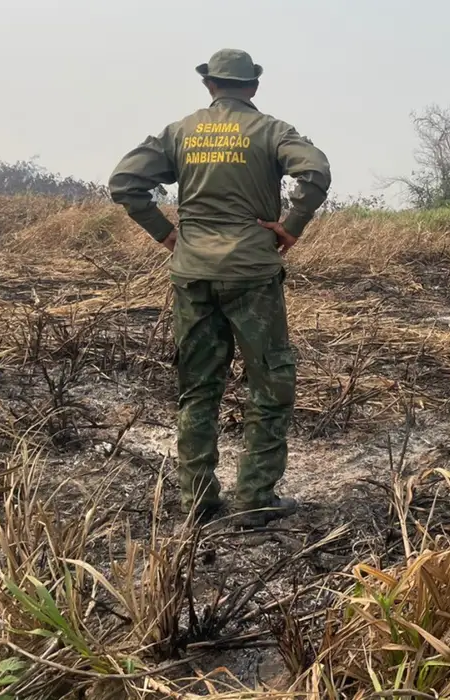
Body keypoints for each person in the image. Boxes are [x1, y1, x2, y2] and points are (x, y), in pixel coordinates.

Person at [108, 49, 331, 528]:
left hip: (192, 273)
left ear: (209, 85)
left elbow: (125, 181)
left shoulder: (179, 132)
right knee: (270, 384)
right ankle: (255, 500)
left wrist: (166, 234)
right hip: (252, 273)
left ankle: (197, 501)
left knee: (198, 387)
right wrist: (291, 225)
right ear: (252, 87)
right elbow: (314, 172)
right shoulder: (272, 131)